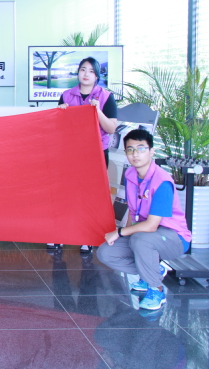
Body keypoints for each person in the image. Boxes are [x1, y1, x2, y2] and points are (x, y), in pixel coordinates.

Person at [97, 129, 191, 311]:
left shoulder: (162, 181)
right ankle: (152, 270)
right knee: (105, 253)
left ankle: (156, 289)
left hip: (174, 238)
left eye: (141, 149)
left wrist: (119, 232)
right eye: (130, 149)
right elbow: (133, 212)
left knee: (141, 240)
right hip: (145, 234)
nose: (135, 154)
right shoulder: (131, 175)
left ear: (151, 151)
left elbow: (151, 225)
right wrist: (124, 236)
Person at [53, 56, 118, 254]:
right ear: (78, 73)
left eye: (91, 71)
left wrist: (97, 111)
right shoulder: (66, 95)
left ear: (97, 76)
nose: (86, 74)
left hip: (96, 153)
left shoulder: (106, 97)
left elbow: (111, 128)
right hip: (71, 153)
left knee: (91, 195)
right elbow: (57, 128)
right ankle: (61, 235)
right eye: (83, 69)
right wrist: (60, 113)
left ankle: (87, 237)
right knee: (66, 194)